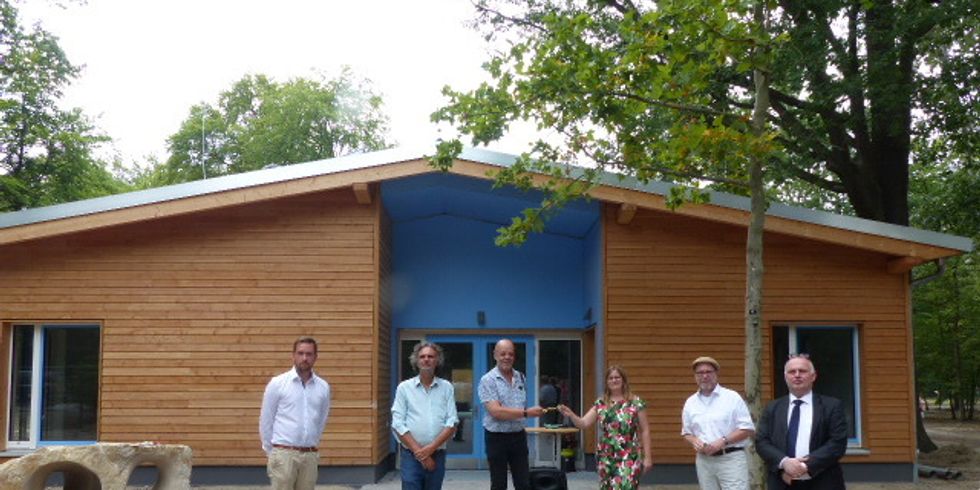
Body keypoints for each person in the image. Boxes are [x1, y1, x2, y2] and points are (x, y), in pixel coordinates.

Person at [756, 355, 848, 489]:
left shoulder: (832, 406)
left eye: (802, 371)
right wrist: (785, 463)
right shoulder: (773, 407)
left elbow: (837, 443)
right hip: (782, 481)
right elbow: (762, 441)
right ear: (785, 376)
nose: (797, 375)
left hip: (823, 480)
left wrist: (804, 466)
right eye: (792, 371)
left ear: (813, 376)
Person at [558, 365, 653, 490]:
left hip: (629, 454)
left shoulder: (636, 402)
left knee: (626, 486)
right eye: (611, 378)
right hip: (607, 455)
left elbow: (645, 430)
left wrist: (648, 457)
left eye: (617, 377)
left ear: (623, 380)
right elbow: (584, 423)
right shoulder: (601, 403)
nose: (614, 380)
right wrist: (571, 414)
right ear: (607, 382)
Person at [259, 337, 332, 490]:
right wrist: (271, 451)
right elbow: (266, 420)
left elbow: (321, 420)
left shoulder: (322, 387)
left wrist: (312, 443)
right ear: (293, 355)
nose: (304, 358)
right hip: (284, 454)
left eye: (309, 354)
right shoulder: (278, 384)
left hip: (309, 455)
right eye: (300, 353)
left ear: (315, 357)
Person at [681, 356, 756, 490]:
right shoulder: (690, 402)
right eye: (700, 373)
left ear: (716, 374)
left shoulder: (732, 397)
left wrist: (722, 441)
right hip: (704, 461)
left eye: (708, 372)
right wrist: (694, 441)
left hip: (731, 459)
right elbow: (687, 432)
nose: (705, 376)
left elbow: (747, 428)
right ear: (695, 376)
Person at [478, 339, 544, 490]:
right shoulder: (488, 380)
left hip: (518, 436)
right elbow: (496, 412)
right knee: (499, 483)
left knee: (523, 483)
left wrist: (525, 413)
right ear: (495, 355)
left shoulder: (521, 377)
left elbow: (520, 404)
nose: (507, 357)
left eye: (510, 354)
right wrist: (527, 413)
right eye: (503, 354)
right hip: (496, 437)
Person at [391, 342, 459, 490]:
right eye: (422, 356)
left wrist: (430, 449)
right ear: (416, 360)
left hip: (438, 454)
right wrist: (421, 453)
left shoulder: (446, 387)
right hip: (410, 456)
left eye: (430, 356)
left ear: (437, 360)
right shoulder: (404, 388)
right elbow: (397, 424)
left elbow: (452, 422)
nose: (426, 359)